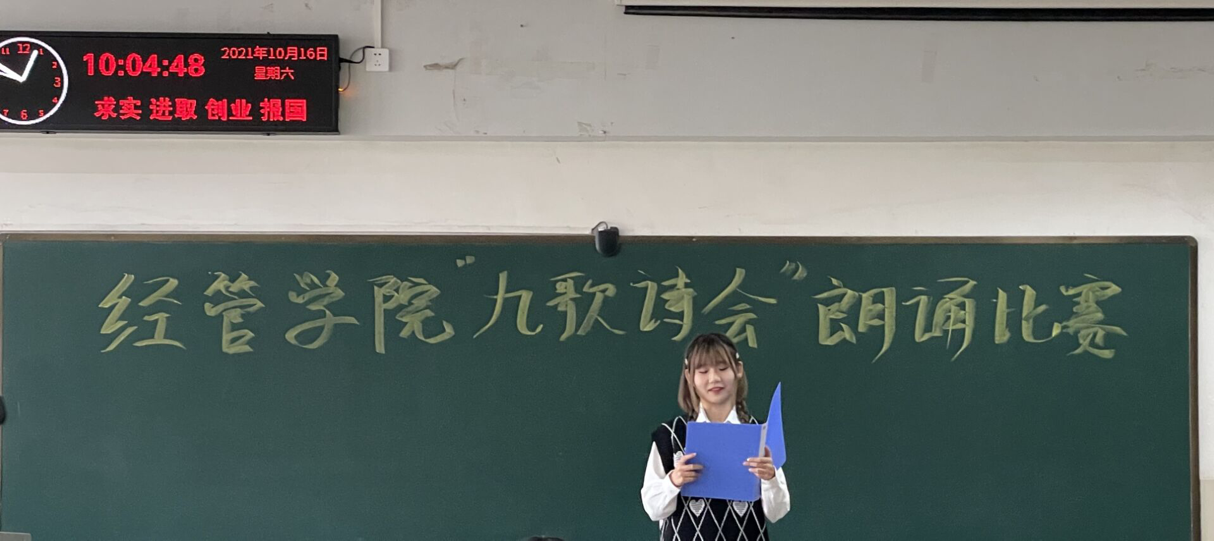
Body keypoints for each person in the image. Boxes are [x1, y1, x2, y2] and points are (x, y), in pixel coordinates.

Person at [640, 333, 791, 540]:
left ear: (738, 370)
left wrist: (770, 477)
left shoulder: (758, 434)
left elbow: (778, 511)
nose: (714, 378)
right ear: (689, 376)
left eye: (722, 368)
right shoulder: (671, 435)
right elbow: (653, 508)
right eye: (703, 371)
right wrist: (674, 480)